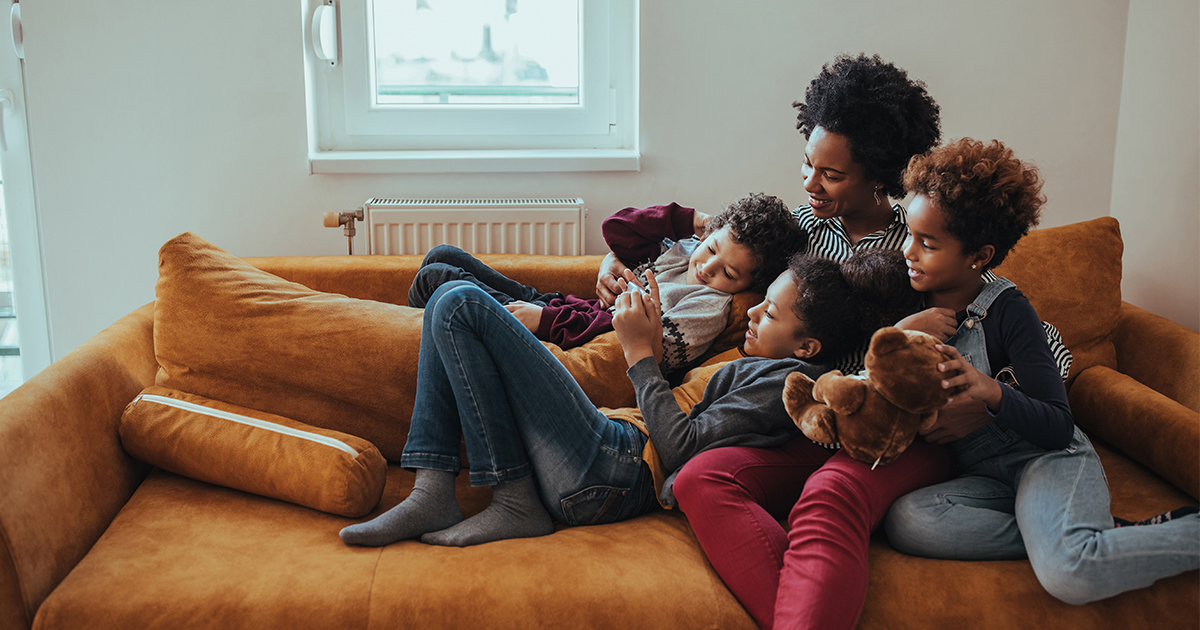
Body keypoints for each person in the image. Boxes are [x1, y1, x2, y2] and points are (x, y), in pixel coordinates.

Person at [670, 53, 954, 630]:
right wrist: (615, 262)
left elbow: (1001, 313)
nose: (811, 183)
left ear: (879, 174)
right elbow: (709, 253)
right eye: (807, 164)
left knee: (826, 498)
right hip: (807, 422)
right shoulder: (800, 230)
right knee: (699, 477)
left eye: (832, 174)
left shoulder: (919, 244)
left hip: (882, 432)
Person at [338, 249, 879, 549]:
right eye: (759, 303)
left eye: (771, 313)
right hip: (606, 440)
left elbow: (683, 449)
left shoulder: (785, 381)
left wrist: (639, 352)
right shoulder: (751, 357)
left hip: (616, 470)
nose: (754, 313)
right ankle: (489, 497)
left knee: (458, 302)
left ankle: (474, 496)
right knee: (447, 287)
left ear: (809, 347)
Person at [881, 137, 1200, 604]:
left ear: (980, 256)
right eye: (910, 235)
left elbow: (1056, 425)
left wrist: (990, 395)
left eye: (927, 243)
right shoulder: (908, 300)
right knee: (908, 520)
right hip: (988, 477)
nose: (908, 251)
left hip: (1047, 460)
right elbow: (870, 372)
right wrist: (901, 332)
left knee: (1071, 574)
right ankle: (1074, 533)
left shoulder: (1009, 310)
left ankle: (1073, 543)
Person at [408, 193, 807, 372]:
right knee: (443, 255)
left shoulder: (707, 308)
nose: (709, 268)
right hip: (567, 307)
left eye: (729, 273)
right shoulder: (684, 250)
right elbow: (616, 229)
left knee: (438, 280)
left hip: (567, 330)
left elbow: (634, 346)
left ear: (748, 284)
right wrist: (690, 220)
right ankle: (435, 339)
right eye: (713, 248)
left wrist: (545, 321)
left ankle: (423, 350)